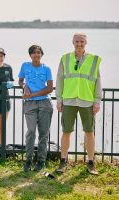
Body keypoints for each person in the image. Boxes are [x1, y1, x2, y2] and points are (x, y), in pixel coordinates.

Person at [55, 33, 102, 175]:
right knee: (66, 131)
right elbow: (59, 79)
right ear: (72, 42)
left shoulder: (94, 59)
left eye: (81, 41)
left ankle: (91, 162)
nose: (79, 44)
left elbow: (98, 81)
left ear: (86, 42)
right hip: (68, 99)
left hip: (87, 100)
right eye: (76, 41)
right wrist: (59, 99)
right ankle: (63, 161)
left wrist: (97, 100)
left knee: (89, 131)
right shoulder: (65, 58)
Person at [18, 45, 53, 172]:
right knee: (31, 130)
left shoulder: (47, 68)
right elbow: (20, 80)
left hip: (45, 103)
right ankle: (28, 159)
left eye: (38, 53)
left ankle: (41, 161)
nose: (36, 55)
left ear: (41, 54)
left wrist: (32, 94)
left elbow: (49, 88)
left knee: (43, 133)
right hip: (30, 104)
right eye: (33, 53)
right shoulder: (25, 65)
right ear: (30, 55)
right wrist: (24, 86)